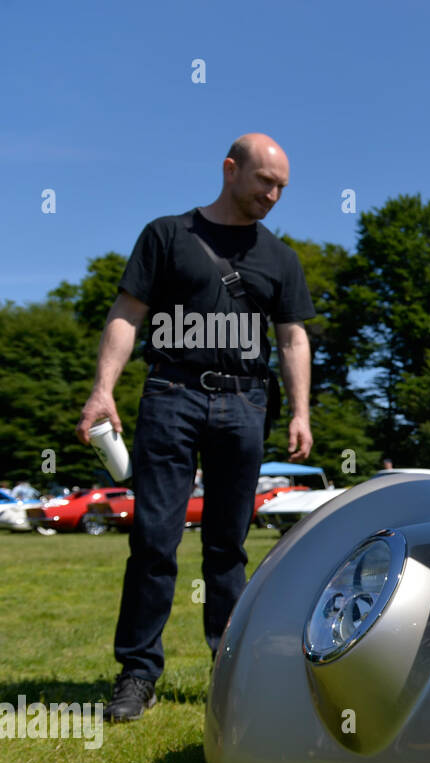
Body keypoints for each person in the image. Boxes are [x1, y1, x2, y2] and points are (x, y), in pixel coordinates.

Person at [75, 133, 315, 722]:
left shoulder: (280, 258)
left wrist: (300, 412)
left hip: (245, 405)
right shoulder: (167, 236)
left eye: (282, 187)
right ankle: (137, 674)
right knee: (154, 539)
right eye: (264, 181)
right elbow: (128, 314)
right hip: (170, 396)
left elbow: (292, 339)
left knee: (228, 546)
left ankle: (229, 668)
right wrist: (103, 389)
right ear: (231, 169)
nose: (273, 195)